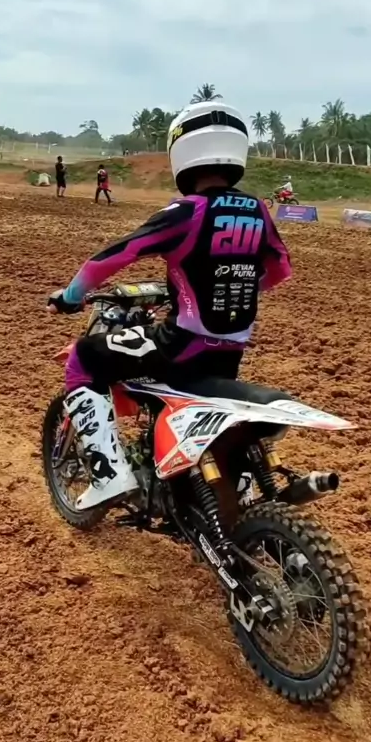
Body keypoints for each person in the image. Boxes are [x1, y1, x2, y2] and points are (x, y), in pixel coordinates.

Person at [47, 102, 292, 509]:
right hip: (230, 350)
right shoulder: (258, 210)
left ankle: (108, 476)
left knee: (84, 357)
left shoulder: (187, 211)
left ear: (182, 150)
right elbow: (280, 270)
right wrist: (227, 288)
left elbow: (113, 257)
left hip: (181, 345)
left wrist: (70, 297)